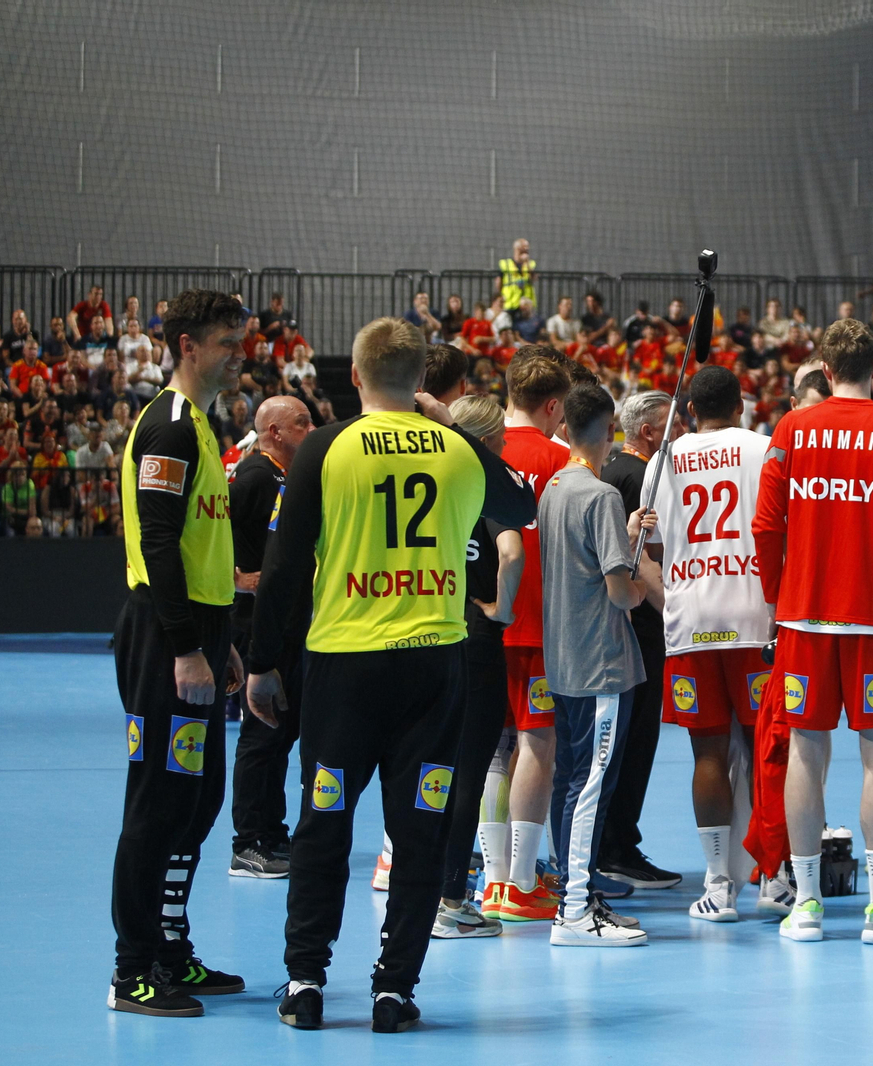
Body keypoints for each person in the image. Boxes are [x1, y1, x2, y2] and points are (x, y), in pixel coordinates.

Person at [245, 317, 534, 1033]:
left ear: (355, 376)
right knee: (421, 828)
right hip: (434, 670)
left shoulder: (324, 446)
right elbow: (520, 507)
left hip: (344, 669)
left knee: (324, 823)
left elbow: (282, 569)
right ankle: (394, 989)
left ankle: (306, 981)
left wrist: (260, 663)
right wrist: (449, 428)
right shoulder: (458, 453)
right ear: (422, 382)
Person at [754, 318, 873, 946]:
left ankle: (806, 904)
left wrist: (778, 594)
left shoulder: (791, 429)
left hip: (804, 617)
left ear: (826, 371)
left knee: (807, 752)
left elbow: (765, 525)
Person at [107, 289, 249, 1018]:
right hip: (167, 638)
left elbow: (198, 542)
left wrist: (218, 642)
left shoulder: (199, 422)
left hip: (199, 631)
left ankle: (170, 950)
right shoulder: (167, 426)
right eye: (227, 340)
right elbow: (158, 541)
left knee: (196, 800)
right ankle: (132, 970)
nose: (238, 353)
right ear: (188, 344)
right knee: (158, 802)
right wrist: (186, 646)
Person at [640, 366, 775, 921]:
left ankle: (718, 885)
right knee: (768, 750)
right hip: (754, 619)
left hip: (692, 622)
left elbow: (647, 544)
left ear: (690, 411)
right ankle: (776, 876)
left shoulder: (662, 460)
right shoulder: (766, 450)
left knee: (708, 753)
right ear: (741, 407)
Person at [538, 384, 655, 945]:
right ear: (608, 429)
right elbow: (619, 592)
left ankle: (574, 894)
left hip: (563, 659)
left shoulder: (556, 486)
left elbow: (584, 560)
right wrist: (639, 582)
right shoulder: (603, 494)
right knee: (590, 787)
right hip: (601, 663)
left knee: (570, 781)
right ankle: (576, 912)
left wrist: (625, 537)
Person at [427, 392, 523, 941]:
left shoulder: (433, 481)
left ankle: (420, 885)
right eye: (501, 441)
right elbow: (511, 552)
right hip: (477, 638)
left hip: (430, 630)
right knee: (470, 773)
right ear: (485, 441)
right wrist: (501, 610)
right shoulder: (485, 484)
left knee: (428, 768)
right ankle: (451, 899)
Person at [485, 351, 572, 922]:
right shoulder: (563, 460)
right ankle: (521, 881)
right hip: (542, 627)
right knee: (538, 745)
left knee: (493, 749)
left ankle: (492, 881)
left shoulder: (478, 452)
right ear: (554, 404)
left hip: (486, 623)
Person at [596, 390, 683, 891]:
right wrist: (672, 613)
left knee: (630, 741)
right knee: (634, 742)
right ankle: (617, 847)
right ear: (649, 431)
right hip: (643, 629)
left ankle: (617, 842)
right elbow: (638, 554)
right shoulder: (637, 475)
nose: (682, 432)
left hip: (634, 628)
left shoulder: (623, 471)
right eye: (674, 424)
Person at [225, 396, 314, 879]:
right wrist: (238, 579)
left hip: (286, 623)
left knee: (280, 731)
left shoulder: (282, 477)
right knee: (261, 734)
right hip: (260, 625)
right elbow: (219, 538)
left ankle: (272, 831)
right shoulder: (256, 477)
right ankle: (248, 842)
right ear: (274, 432)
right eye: (302, 423)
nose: (312, 428)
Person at [496, 238, 536, 313]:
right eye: (523, 248)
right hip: (510, 304)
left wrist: (527, 263)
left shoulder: (531, 264)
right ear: (517, 249)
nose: (526, 251)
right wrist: (501, 296)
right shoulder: (505, 264)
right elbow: (499, 282)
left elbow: (533, 279)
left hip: (526, 304)